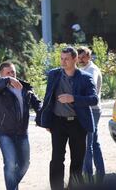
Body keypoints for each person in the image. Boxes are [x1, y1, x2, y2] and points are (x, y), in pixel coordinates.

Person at [36, 46, 98, 190]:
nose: (63, 62)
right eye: (61, 59)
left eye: (67, 59)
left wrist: (73, 98)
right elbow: (48, 98)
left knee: (77, 160)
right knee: (57, 159)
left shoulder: (85, 77)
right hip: (58, 123)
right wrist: (46, 120)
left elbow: (94, 99)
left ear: (75, 59)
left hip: (78, 123)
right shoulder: (54, 75)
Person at [0, 62, 42, 190]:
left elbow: (37, 104)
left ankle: (12, 186)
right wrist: (7, 80)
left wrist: (44, 116)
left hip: (22, 132)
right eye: (8, 73)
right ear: (1, 75)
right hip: (4, 133)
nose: (12, 75)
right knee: (10, 164)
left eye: (13, 72)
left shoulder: (25, 87)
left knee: (25, 164)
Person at [77, 47, 105, 184]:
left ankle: (88, 176)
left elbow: (89, 88)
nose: (80, 60)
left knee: (87, 143)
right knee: (94, 142)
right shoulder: (83, 69)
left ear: (89, 56)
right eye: (79, 57)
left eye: (83, 57)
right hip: (89, 109)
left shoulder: (92, 70)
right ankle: (100, 173)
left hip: (91, 109)